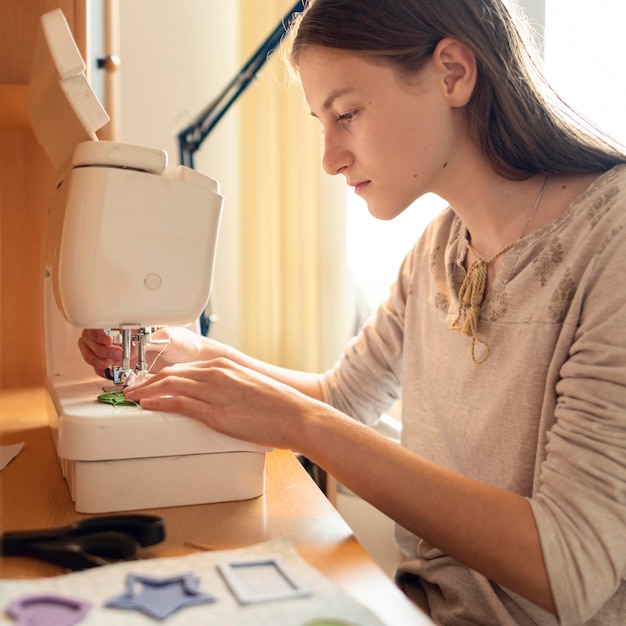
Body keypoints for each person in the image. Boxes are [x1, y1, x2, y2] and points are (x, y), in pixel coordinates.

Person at [79, 0, 626, 623]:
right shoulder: (439, 251)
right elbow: (342, 399)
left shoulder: (612, 245)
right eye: (322, 122)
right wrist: (194, 353)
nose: (329, 157)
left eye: (347, 115)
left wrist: (301, 424)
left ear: (453, 73)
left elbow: (572, 566)